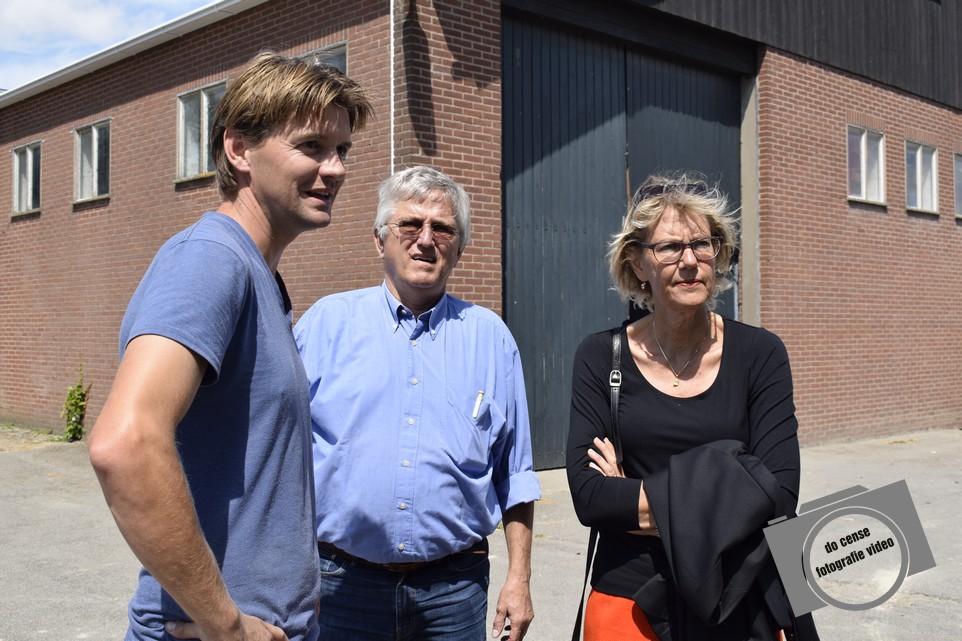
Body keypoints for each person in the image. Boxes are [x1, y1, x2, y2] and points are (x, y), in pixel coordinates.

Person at [87, 51, 372, 641]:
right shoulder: (212, 260)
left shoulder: (257, 275)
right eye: (312, 146)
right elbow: (125, 443)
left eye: (341, 149)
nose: (336, 168)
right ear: (239, 149)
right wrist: (226, 624)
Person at [293, 165, 541, 641]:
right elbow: (279, 458)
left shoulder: (491, 339)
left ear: (459, 249)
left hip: (454, 590)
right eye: (410, 224)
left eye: (442, 228)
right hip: (340, 585)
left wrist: (520, 577)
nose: (426, 239)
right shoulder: (326, 325)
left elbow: (516, 474)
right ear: (379, 239)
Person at [566, 173, 817, 640]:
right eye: (669, 248)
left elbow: (779, 495)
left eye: (702, 244)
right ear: (637, 262)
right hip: (629, 601)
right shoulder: (601, 356)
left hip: (737, 598)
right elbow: (591, 497)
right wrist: (729, 492)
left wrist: (634, 497)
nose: (689, 261)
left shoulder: (760, 354)